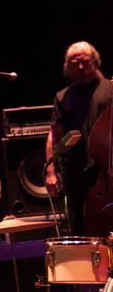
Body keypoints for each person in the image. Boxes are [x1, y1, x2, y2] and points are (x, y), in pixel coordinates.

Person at [45, 41, 112, 234]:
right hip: (77, 172)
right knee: (82, 227)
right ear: (68, 67)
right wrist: (51, 170)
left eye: (85, 61)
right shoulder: (63, 97)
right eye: (75, 63)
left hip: (109, 169)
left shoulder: (110, 89)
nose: (81, 66)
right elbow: (54, 135)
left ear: (95, 61)